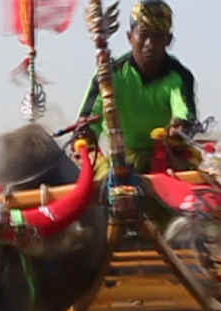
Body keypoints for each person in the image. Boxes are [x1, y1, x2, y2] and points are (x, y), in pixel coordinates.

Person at [75, 0, 199, 178]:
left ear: (168, 40)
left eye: (157, 36)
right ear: (129, 36)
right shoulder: (109, 76)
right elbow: (87, 126)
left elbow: (184, 114)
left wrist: (180, 127)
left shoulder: (179, 76)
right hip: (117, 162)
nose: (149, 43)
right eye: (144, 35)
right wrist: (85, 133)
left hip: (166, 157)